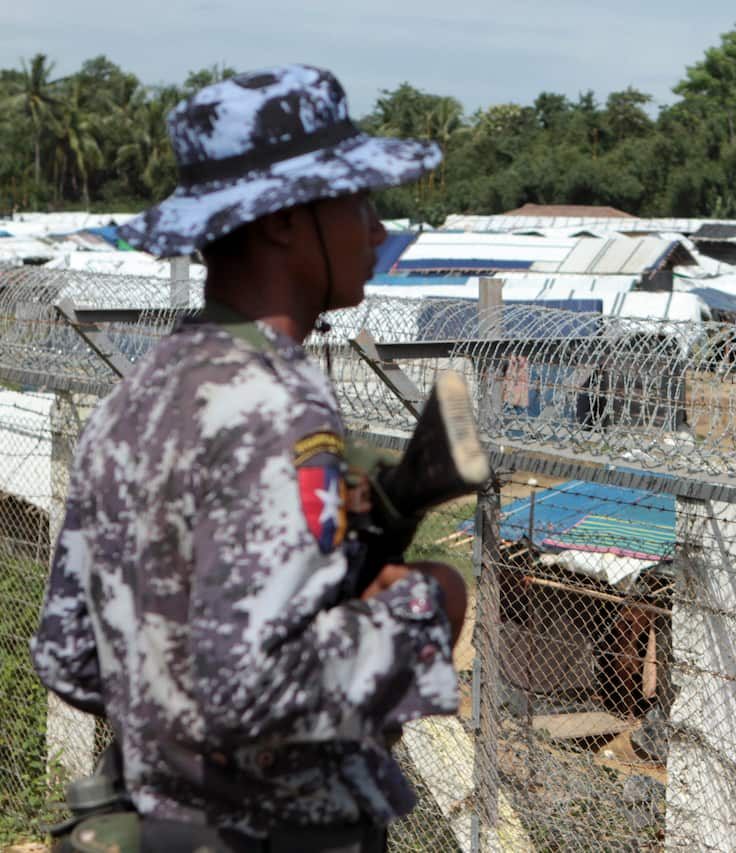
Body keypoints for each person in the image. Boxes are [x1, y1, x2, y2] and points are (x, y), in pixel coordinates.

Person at [31, 65, 474, 853]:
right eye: (359, 203)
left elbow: (68, 657)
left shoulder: (138, 393)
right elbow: (250, 684)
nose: (376, 230)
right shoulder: (274, 404)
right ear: (281, 221)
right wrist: (425, 608)